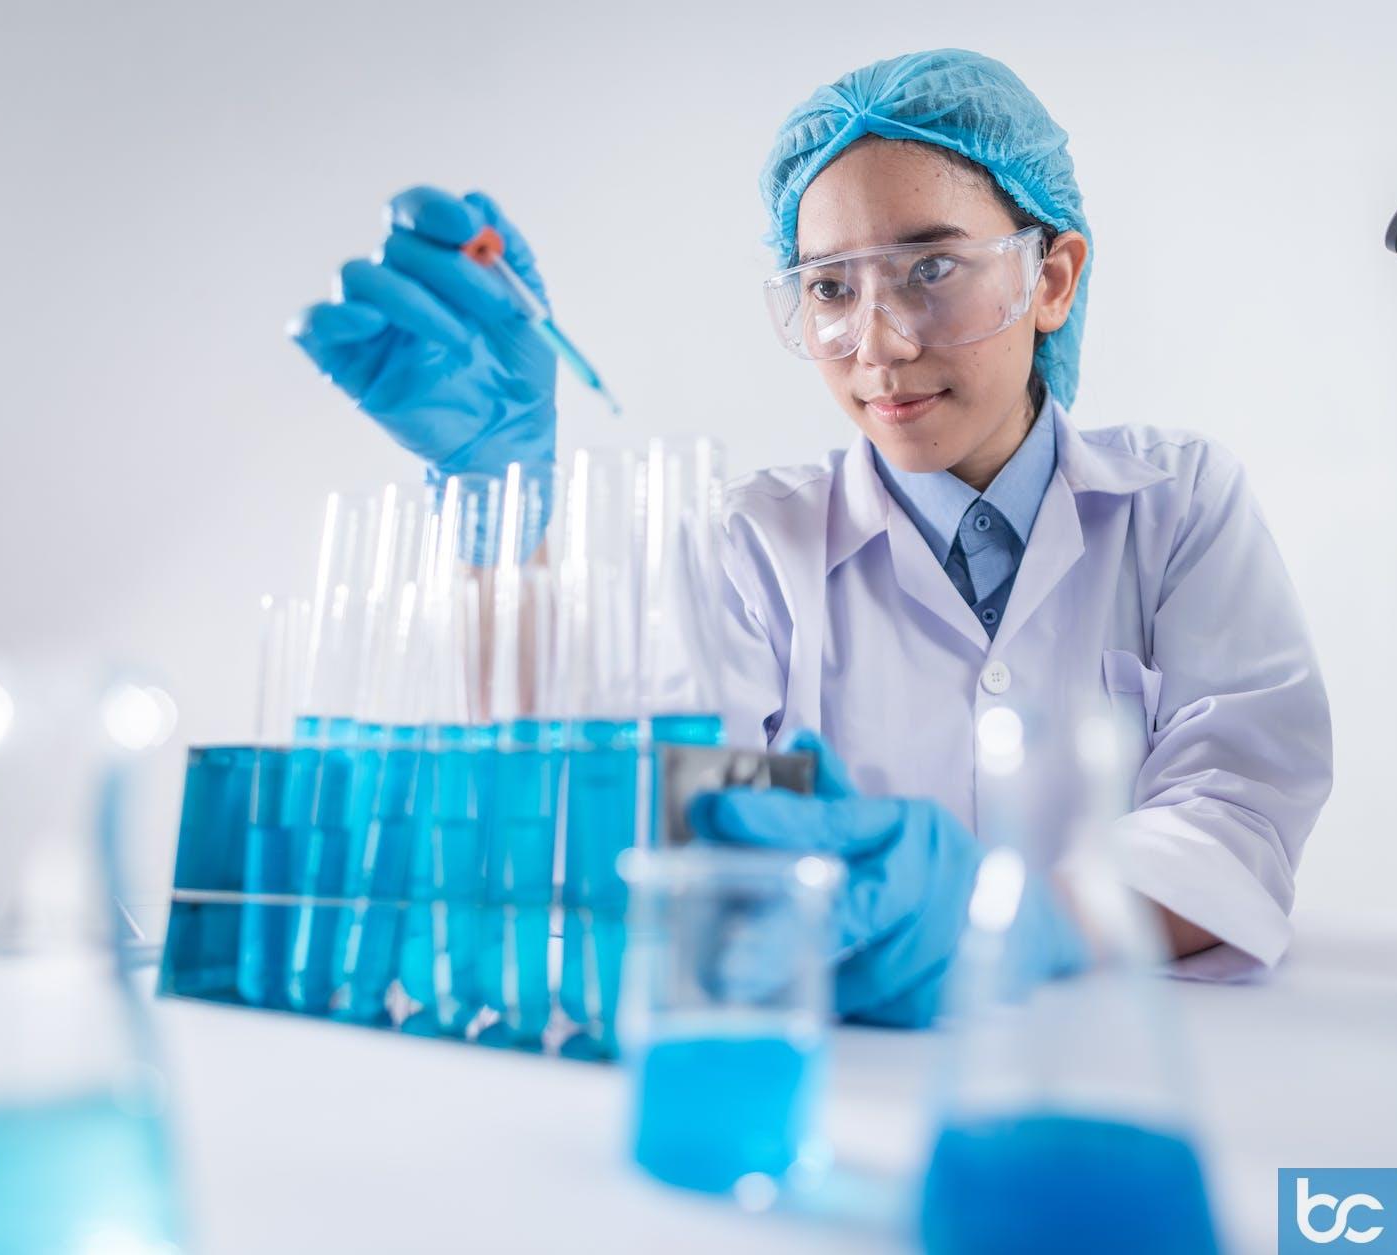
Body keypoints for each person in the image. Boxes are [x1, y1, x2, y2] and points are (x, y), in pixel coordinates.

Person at [291, 49, 1333, 1028]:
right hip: (837, 1068)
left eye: (930, 269)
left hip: (1119, 1058)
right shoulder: (752, 542)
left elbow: (1236, 815)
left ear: (1048, 280)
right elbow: (632, 803)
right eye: (830, 286)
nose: (876, 344)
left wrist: (1020, 922)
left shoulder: (1176, 499)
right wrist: (498, 518)